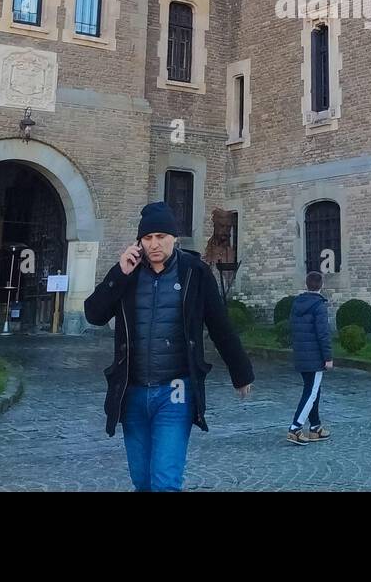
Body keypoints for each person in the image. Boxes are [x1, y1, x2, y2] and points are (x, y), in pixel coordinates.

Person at [84, 201, 254, 491]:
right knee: (142, 481)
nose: (154, 244)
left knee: (165, 481)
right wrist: (118, 274)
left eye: (161, 236)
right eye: (147, 238)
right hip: (132, 391)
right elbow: (94, 314)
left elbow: (220, 326)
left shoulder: (195, 272)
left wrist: (241, 372)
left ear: (174, 238)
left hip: (176, 391)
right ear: (140, 241)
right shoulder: (129, 274)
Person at [287, 270, 333, 445]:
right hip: (314, 356)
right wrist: (327, 357)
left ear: (307, 284)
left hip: (301, 353)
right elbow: (323, 334)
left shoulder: (297, 303)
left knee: (314, 390)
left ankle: (315, 427)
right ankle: (295, 428)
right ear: (321, 286)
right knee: (311, 392)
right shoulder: (319, 306)